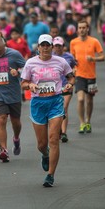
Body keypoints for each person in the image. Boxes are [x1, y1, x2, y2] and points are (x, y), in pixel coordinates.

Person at [21, 34, 75, 188]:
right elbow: (23, 83)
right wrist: (30, 85)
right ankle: (45, 154)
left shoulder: (61, 61)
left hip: (55, 102)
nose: (45, 48)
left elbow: (71, 78)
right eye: (42, 45)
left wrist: (70, 85)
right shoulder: (31, 63)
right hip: (38, 103)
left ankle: (50, 174)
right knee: (42, 144)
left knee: (54, 140)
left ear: (52, 46)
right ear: (38, 47)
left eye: (48, 45)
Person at [0, 37, 26, 162]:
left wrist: (17, 72)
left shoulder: (14, 54)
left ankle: (16, 138)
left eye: (0, 50)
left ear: (5, 46)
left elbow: (27, 69)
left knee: (15, 122)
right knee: (1, 120)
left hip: (13, 94)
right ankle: (4, 150)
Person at [70, 20, 105, 134]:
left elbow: (102, 56)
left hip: (91, 75)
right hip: (79, 75)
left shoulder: (94, 41)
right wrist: (73, 68)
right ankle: (81, 123)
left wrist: (93, 59)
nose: (82, 30)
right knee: (80, 99)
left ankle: (88, 121)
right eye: (80, 28)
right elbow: (72, 59)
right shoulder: (73, 42)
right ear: (77, 29)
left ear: (87, 29)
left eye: (84, 27)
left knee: (89, 100)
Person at [52, 36, 77, 143]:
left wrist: (74, 72)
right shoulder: (50, 57)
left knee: (64, 107)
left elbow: (75, 66)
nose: (57, 48)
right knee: (57, 110)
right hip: (55, 87)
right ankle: (57, 130)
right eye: (55, 46)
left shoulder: (69, 57)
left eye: (59, 46)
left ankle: (63, 132)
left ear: (63, 46)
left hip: (66, 85)